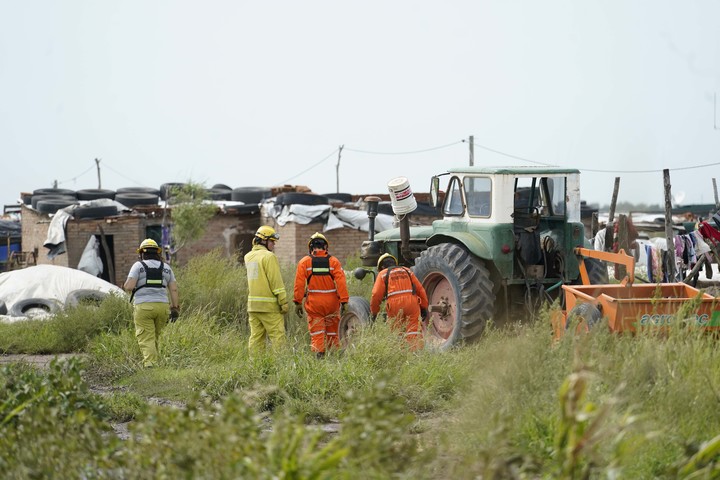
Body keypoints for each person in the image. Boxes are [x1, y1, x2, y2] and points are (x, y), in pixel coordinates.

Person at [123, 238, 180, 368]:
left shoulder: (138, 266)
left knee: (146, 337)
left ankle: (151, 366)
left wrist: (126, 284)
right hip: (163, 307)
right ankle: (159, 363)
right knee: (157, 336)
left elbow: (129, 286)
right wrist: (175, 307)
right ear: (158, 253)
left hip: (144, 307)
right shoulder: (166, 268)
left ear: (142, 253)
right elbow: (174, 289)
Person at [293, 232, 349, 358]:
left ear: (311, 247)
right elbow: (341, 283)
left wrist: (297, 302)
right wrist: (344, 301)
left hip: (314, 304)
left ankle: (319, 359)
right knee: (333, 333)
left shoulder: (304, 262)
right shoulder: (334, 262)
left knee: (317, 333)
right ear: (325, 247)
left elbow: (299, 284)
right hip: (332, 304)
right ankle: (334, 359)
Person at [370, 253, 429, 351]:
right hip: (412, 303)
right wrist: (424, 306)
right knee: (414, 331)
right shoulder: (407, 271)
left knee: (396, 332)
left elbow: (376, 295)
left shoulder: (383, 273)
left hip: (394, 305)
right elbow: (420, 290)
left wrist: (374, 312)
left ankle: (400, 354)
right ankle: (416, 355)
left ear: (382, 266)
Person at [244, 225, 289, 353]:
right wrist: (283, 301)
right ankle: (279, 367)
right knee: (278, 337)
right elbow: (276, 282)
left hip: (253, 307)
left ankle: (256, 367)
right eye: (272, 241)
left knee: (256, 338)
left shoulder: (248, 256)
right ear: (263, 240)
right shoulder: (269, 257)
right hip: (269, 307)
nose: (274, 245)